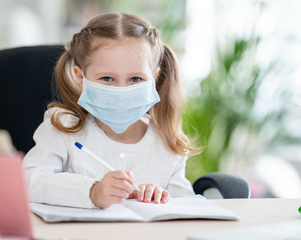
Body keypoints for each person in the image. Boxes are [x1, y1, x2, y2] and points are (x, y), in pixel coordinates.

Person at [23, 13, 198, 209]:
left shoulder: (167, 142)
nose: (120, 91)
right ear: (81, 77)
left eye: (135, 79)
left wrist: (161, 196)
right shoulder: (63, 127)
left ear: (154, 78)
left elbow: (185, 206)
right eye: (107, 78)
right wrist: (92, 192)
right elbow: (29, 180)